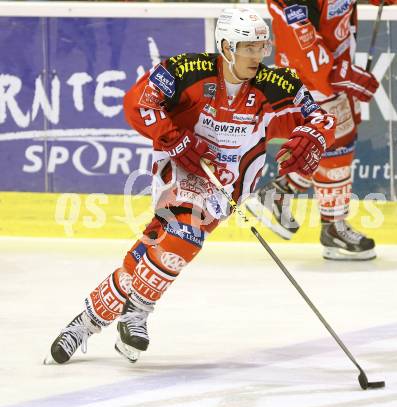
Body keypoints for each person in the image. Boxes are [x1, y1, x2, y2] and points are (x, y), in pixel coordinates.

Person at [44, 8, 336, 365]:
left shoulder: (277, 85)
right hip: (181, 165)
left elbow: (321, 116)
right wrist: (176, 140)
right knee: (186, 230)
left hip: (228, 183)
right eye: (249, 47)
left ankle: (85, 322)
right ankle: (137, 311)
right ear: (226, 46)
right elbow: (141, 101)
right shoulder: (186, 70)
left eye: (262, 46)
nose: (258, 55)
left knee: (153, 250)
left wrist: (315, 135)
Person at [246, 0, 393, 261]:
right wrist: (345, 74)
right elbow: (303, 47)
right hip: (312, 80)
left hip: (331, 73)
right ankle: (333, 227)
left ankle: (281, 191)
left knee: (336, 142)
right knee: (336, 146)